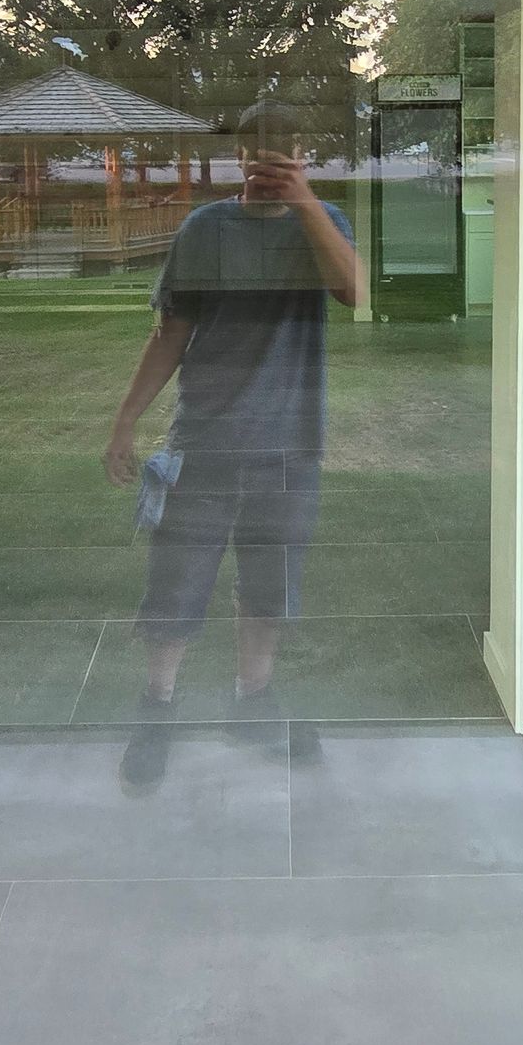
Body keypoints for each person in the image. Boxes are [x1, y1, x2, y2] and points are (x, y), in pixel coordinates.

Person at [103, 98, 366, 792]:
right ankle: (156, 710)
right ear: (238, 154)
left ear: (303, 150)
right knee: (176, 587)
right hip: (205, 442)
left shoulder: (325, 222)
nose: (268, 156)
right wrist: (127, 419)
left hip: (290, 444)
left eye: (283, 144)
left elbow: (354, 292)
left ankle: (254, 703)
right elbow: (170, 333)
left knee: (269, 588)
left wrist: (306, 202)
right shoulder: (204, 229)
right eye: (256, 145)